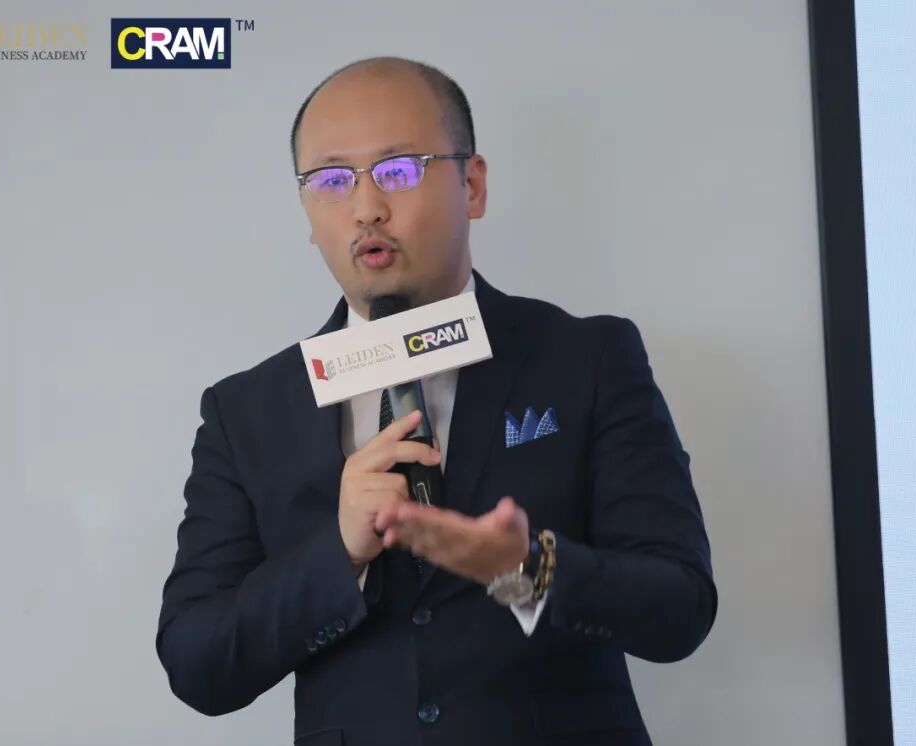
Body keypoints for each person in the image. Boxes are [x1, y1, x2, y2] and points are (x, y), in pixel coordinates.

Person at [156, 56, 717, 746]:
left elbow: (680, 608)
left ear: (472, 185)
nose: (367, 208)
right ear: (307, 211)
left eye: (398, 171)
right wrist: (340, 554)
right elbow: (197, 662)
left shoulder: (588, 358)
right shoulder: (247, 411)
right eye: (331, 180)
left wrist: (524, 572)